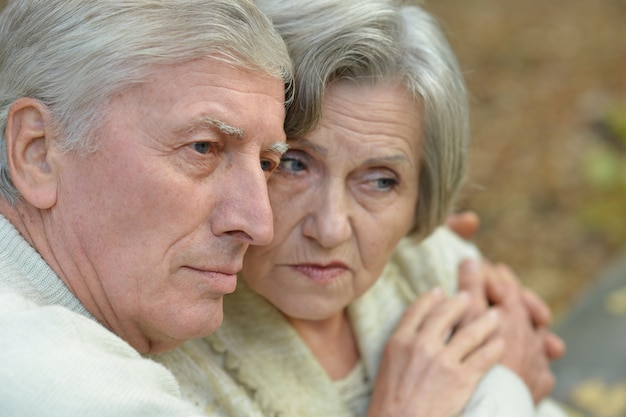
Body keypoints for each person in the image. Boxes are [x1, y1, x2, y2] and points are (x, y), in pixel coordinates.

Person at [153, 1, 567, 416]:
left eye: (380, 180)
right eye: (294, 164)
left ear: (420, 197)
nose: (331, 229)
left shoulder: (436, 269)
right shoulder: (166, 363)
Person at [0, 0, 293, 415]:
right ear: (38, 153)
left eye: (267, 164)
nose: (260, 225)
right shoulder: (61, 381)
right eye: (203, 147)